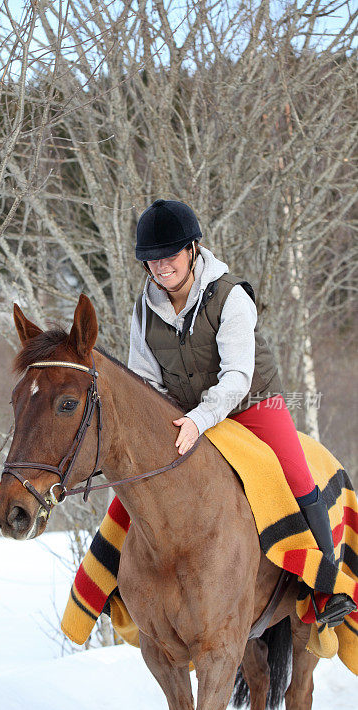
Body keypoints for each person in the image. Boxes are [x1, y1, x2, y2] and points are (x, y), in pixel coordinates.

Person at [128, 198, 356, 627]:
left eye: (170, 255)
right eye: (151, 259)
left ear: (194, 248)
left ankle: (328, 588)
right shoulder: (143, 309)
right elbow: (145, 380)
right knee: (138, 477)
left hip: (249, 402)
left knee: (294, 472)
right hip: (186, 411)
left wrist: (198, 419)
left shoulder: (231, 295)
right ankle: (114, 589)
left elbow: (236, 377)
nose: (160, 267)